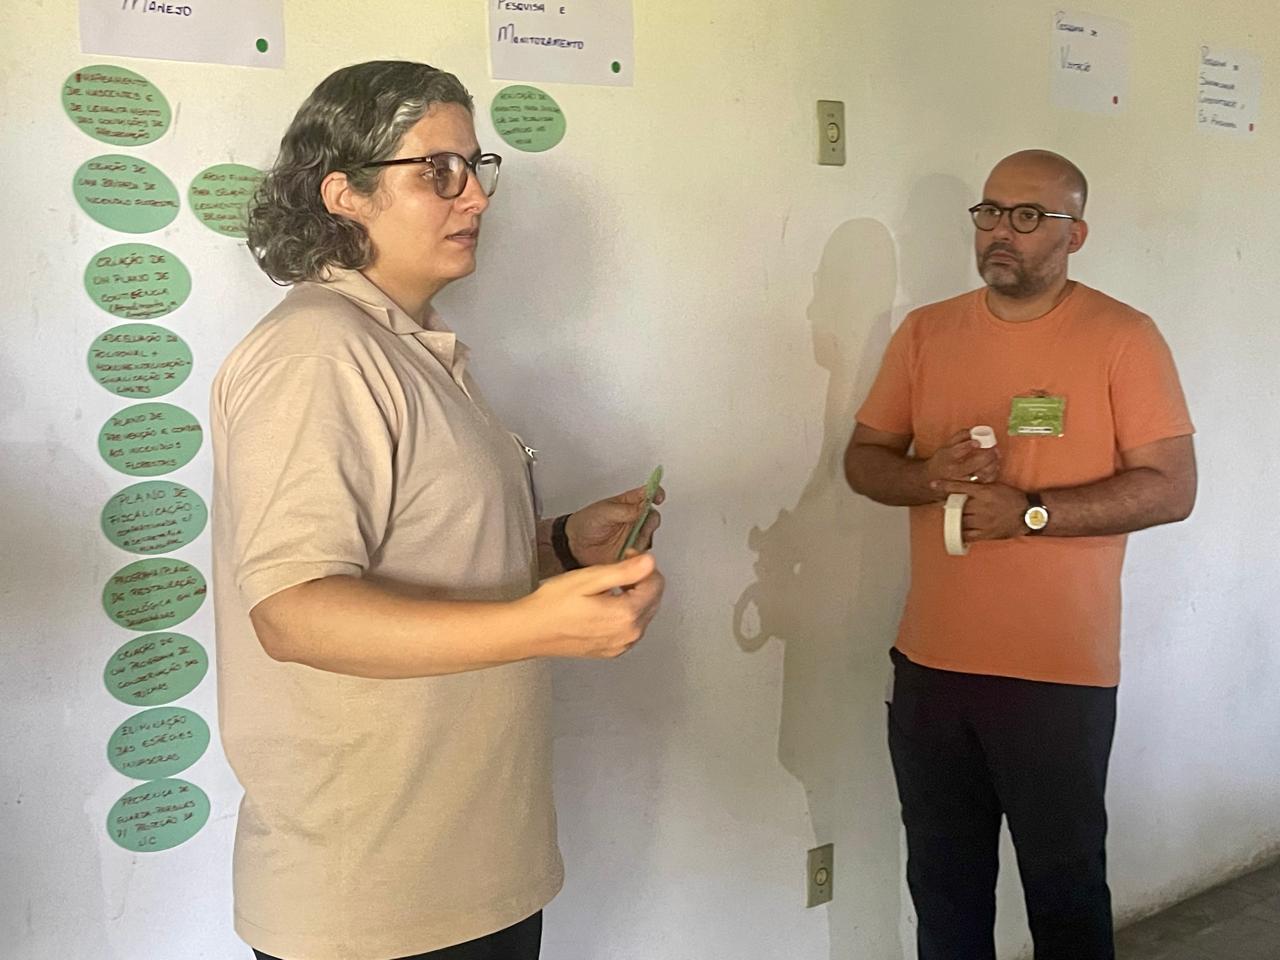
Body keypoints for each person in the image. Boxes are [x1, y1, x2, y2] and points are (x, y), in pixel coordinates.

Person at [210, 60, 666, 960]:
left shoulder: (409, 347)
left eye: (475, 167)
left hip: (468, 872)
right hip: (373, 898)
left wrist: (561, 548)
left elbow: (426, 558)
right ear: (344, 193)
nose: (477, 198)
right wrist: (539, 626)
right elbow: (295, 612)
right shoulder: (317, 353)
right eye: (439, 171)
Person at [843, 149, 1196, 960]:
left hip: (1057, 676)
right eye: (991, 212)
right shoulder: (926, 332)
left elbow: (1172, 489)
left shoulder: (1123, 337)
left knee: (1065, 896)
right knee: (944, 892)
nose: (1002, 231)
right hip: (932, 667)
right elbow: (864, 462)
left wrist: (1031, 513)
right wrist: (927, 476)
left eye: (1030, 216)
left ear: (1076, 235)